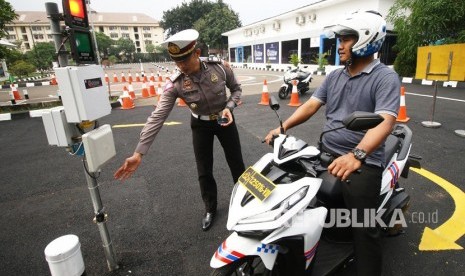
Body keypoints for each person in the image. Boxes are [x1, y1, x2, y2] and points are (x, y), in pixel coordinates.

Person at [265, 11, 400, 276]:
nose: (340, 44)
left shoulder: (384, 77)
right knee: (287, 194)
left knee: (364, 226)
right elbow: (312, 105)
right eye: (340, 38)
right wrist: (282, 127)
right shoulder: (336, 76)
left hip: (362, 161)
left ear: (366, 39)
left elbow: (386, 121)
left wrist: (357, 154)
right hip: (325, 152)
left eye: (347, 38)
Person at [114, 29, 245, 231]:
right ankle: (210, 208)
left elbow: (236, 89)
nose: (181, 65)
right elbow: (158, 116)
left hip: (224, 119)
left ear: (196, 52)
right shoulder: (175, 83)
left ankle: (245, 203)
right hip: (200, 125)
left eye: (184, 59)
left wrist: (229, 108)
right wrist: (138, 153)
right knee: (204, 170)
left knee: (236, 163)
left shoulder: (219, 69)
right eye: (176, 61)